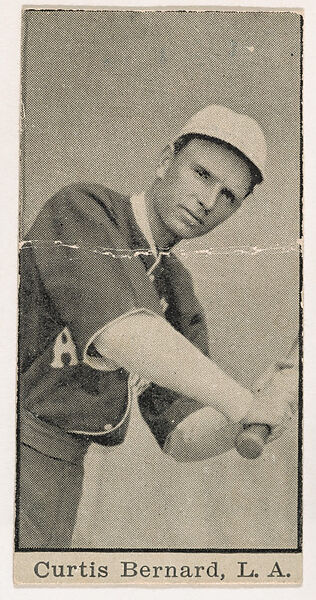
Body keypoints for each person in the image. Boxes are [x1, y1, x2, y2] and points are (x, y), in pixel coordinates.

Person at [18, 104, 297, 548]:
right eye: (202, 174)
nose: (209, 202)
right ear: (166, 160)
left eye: (229, 196)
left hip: (59, 473)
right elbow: (124, 334)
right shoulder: (85, 210)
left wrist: (251, 413)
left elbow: (182, 436)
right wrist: (243, 404)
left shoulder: (176, 287)